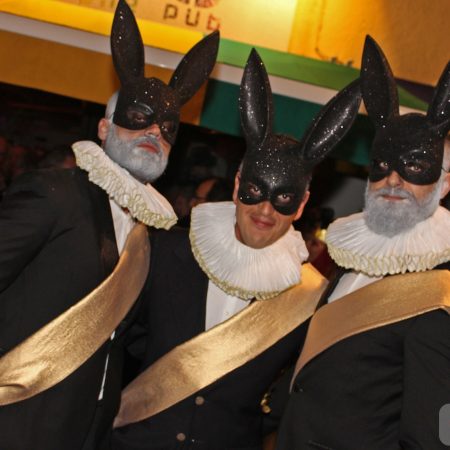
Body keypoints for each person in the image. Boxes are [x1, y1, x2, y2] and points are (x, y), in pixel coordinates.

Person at [111, 48, 361, 450]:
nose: (265, 210)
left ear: (301, 205)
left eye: (283, 198)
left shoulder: (310, 294)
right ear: (237, 184)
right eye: (255, 190)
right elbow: (123, 340)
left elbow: (298, 388)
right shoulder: (167, 250)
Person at [0, 0, 219, 449]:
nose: (154, 133)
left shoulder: (148, 235)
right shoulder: (54, 194)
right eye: (139, 119)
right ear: (103, 128)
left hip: (89, 433)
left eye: (167, 128)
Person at [276, 35, 450, 450]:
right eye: (382, 165)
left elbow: (431, 433)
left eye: (415, 167)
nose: (394, 179)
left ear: (444, 185)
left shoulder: (441, 290)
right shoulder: (351, 257)